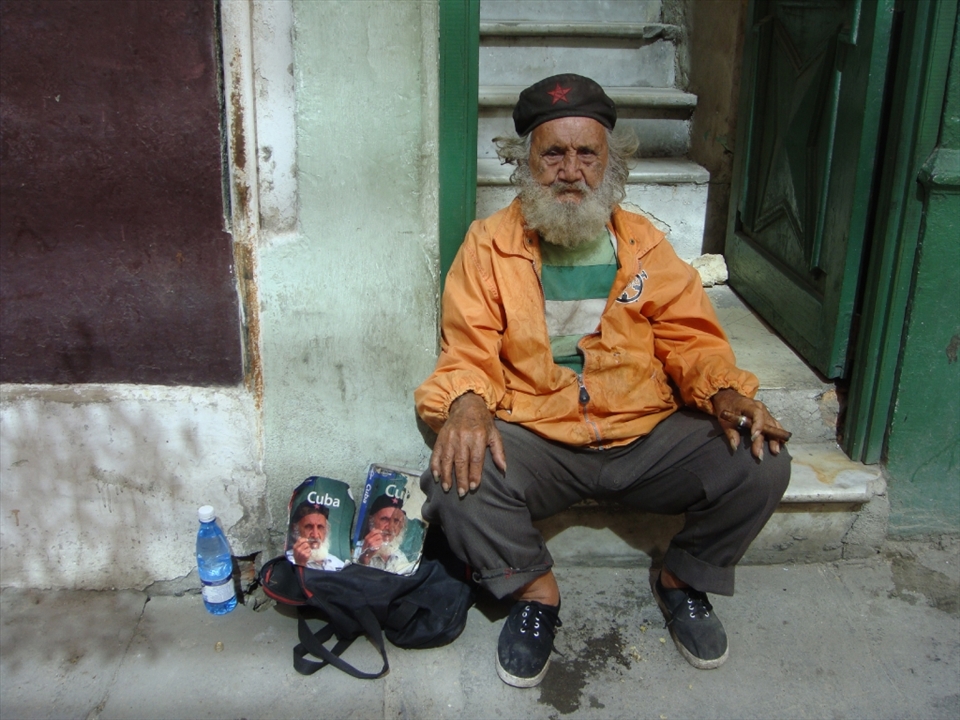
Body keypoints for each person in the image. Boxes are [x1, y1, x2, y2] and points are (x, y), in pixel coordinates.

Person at [414, 74, 791, 688]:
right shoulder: (487, 246)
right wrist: (465, 402)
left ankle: (683, 580)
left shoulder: (643, 243)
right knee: (455, 479)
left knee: (763, 460)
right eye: (553, 154)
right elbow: (468, 347)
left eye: (586, 153)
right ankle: (536, 594)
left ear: (610, 162)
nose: (571, 170)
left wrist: (724, 390)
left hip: (645, 433)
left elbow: (687, 336)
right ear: (524, 163)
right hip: (543, 437)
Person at [356, 494, 410, 573]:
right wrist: (364, 559)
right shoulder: (355, 550)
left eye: (396, 521)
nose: (390, 528)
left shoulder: (401, 557)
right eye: (385, 519)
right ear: (371, 521)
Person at [286, 502, 345, 571]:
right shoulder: (285, 564)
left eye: (320, 527)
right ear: (295, 530)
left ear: (326, 530)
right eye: (308, 527)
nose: (315, 535)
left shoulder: (338, 565)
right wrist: (300, 564)